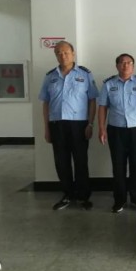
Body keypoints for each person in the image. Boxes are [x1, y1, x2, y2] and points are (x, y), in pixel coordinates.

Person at [38, 41, 99, 211]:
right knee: (61, 161)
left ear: (73, 53)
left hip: (79, 125)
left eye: (65, 52)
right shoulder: (50, 76)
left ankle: (83, 196)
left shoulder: (85, 74)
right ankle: (67, 194)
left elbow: (92, 100)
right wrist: (46, 128)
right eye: (58, 53)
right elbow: (45, 103)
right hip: (57, 124)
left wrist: (90, 124)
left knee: (81, 161)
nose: (62, 55)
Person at [98, 54, 136, 213]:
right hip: (116, 130)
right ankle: (119, 200)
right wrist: (101, 128)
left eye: (129, 63)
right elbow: (102, 107)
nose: (126, 65)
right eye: (122, 63)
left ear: (133, 66)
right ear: (117, 66)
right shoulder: (108, 84)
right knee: (118, 166)